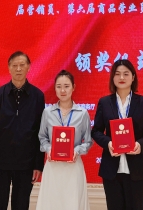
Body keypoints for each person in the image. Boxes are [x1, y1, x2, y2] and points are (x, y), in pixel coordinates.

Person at [91, 58, 143, 210]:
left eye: (126, 73)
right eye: (117, 74)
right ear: (112, 77)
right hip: (111, 169)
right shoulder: (105, 102)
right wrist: (108, 143)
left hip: (137, 169)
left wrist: (140, 145)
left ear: (133, 77)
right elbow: (96, 131)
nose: (121, 77)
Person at [0, 51, 45, 210]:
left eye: (22, 65)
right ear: (9, 68)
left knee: (21, 205)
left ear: (29, 67)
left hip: (26, 163)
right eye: (15, 65)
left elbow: (40, 132)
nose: (18, 69)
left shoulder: (38, 96)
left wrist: (38, 165)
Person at [36, 70, 91, 210]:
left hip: (73, 167)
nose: (62, 90)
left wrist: (76, 150)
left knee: (72, 203)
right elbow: (42, 137)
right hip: (53, 166)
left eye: (66, 86)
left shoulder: (82, 114)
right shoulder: (48, 112)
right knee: (51, 203)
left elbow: (88, 141)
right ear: (54, 88)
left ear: (73, 87)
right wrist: (49, 149)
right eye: (59, 86)